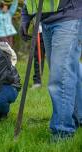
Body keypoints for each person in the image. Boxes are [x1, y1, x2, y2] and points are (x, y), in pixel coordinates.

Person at [20, 0, 82, 139]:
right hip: (46, 21)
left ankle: (62, 132)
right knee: (69, 71)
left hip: (68, 16)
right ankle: (79, 117)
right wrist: (25, 17)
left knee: (61, 76)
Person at [31, 24, 45, 89]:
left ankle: (60, 81)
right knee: (38, 57)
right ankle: (37, 81)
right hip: (39, 31)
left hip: (56, 29)